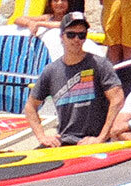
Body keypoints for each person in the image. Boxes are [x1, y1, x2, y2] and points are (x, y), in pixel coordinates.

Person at [23, 12, 124, 146]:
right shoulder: (51, 70)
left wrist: (101, 138)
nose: (76, 39)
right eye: (71, 35)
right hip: (64, 141)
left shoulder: (100, 65)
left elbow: (117, 99)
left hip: (92, 142)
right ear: (62, 37)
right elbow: (30, 106)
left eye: (81, 35)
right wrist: (42, 137)